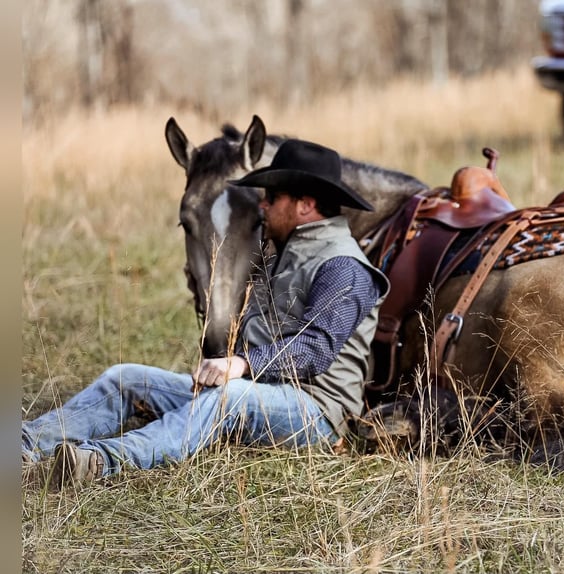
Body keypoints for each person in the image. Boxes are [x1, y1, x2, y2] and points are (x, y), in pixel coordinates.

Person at [22, 139, 390, 487]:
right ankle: (24, 445)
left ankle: (98, 461)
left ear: (305, 205)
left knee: (229, 399)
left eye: (272, 198)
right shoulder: (282, 251)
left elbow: (315, 349)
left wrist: (241, 364)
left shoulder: (344, 267)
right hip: (257, 392)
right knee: (125, 378)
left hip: (317, 412)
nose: (262, 206)